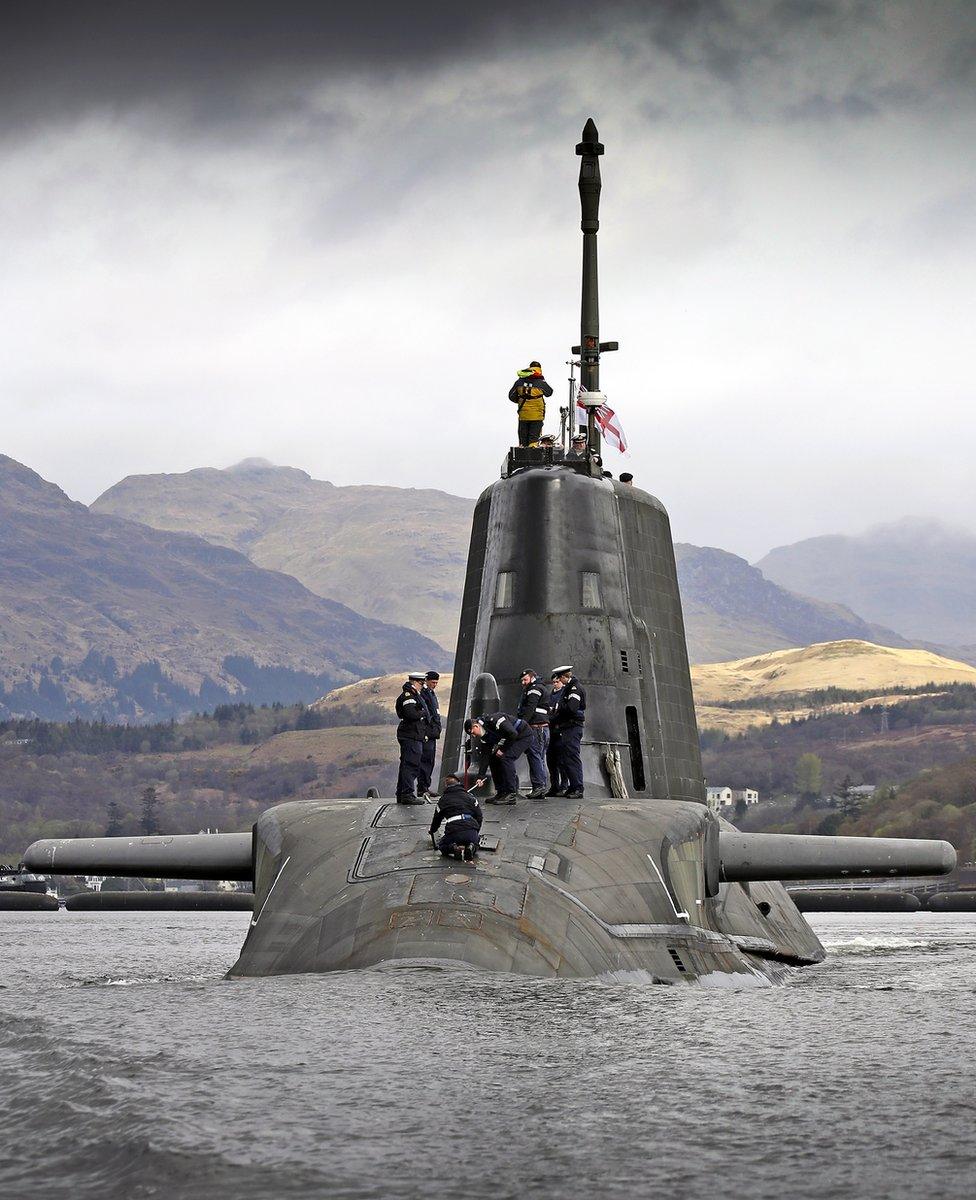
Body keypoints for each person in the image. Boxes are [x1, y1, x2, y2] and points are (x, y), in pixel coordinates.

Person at [464, 712, 532, 804]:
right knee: (493, 759)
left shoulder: (495, 720)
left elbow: (512, 733)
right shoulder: (484, 737)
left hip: (522, 735)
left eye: (472, 733)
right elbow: (485, 757)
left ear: (476, 726)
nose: (474, 736)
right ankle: (501, 792)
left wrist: (503, 749)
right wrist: (480, 777)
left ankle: (511, 794)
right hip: (511, 739)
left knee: (506, 757)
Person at [550, 665, 586, 799]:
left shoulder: (574, 689)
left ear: (565, 676)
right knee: (566, 758)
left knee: (572, 757)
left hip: (573, 726)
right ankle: (572, 787)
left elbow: (571, 708)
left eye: (560, 678)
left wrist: (559, 709)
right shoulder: (568, 688)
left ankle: (578, 788)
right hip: (567, 727)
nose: (559, 681)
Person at [429, 774, 483, 861]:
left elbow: (436, 820)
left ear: (446, 786)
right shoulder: (470, 797)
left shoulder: (442, 800)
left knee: (442, 845)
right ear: (459, 783)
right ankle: (471, 847)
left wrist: (432, 831)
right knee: (476, 840)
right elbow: (479, 816)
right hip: (470, 829)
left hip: (453, 832)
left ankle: (454, 849)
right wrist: (476, 830)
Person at [395, 672, 430, 804]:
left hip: (414, 734)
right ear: (415, 682)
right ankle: (407, 794)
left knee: (406, 764)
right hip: (411, 735)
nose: (422, 687)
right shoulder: (408, 696)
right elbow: (411, 714)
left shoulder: (414, 695)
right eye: (421, 684)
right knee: (411, 765)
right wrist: (422, 713)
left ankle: (402, 793)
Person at [515, 669, 550, 798]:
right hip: (542, 729)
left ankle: (539, 787)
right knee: (539, 758)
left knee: (535, 756)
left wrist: (522, 725)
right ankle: (541, 787)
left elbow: (530, 708)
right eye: (522, 680)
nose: (523, 683)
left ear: (532, 677)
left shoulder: (534, 689)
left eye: (525, 679)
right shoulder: (541, 687)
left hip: (537, 729)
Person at [508, 361, 553, 447]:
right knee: (534, 440)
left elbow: (511, 396)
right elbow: (549, 392)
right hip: (537, 416)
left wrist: (521, 400)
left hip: (523, 415)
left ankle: (522, 456)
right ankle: (532, 456)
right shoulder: (541, 382)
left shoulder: (519, 381)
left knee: (523, 440)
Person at [418, 670, 442, 799]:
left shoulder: (431, 693)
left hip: (433, 733)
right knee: (425, 760)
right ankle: (422, 788)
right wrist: (427, 731)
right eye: (433, 682)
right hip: (427, 733)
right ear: (426, 681)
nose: (435, 685)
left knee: (430, 761)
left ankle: (426, 786)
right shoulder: (423, 694)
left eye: (436, 683)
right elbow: (426, 715)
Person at [546, 671, 568, 796]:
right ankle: (554, 786)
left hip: (560, 731)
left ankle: (564, 786)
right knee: (551, 760)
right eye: (553, 682)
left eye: (557, 682)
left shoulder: (564, 695)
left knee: (561, 760)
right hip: (551, 732)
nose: (555, 684)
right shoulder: (551, 696)